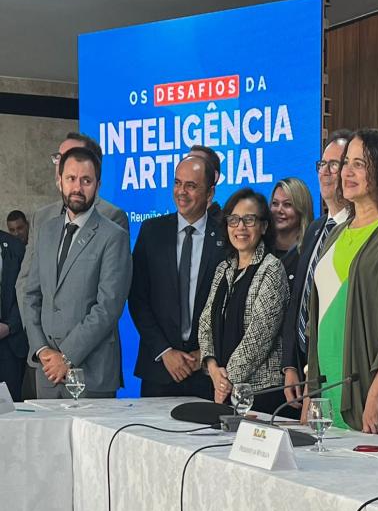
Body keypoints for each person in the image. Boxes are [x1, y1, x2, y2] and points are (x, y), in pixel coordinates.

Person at [305, 128, 378, 436]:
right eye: (346, 163)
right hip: (327, 390)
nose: (348, 172)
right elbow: (316, 321)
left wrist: (375, 393)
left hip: (368, 394)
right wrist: (310, 396)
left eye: (361, 163)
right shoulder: (336, 234)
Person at [21, 146, 132, 398]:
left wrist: (66, 356)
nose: (78, 188)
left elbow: (108, 308)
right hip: (47, 372)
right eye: (71, 178)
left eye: (86, 180)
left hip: (91, 374)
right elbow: (31, 296)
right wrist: (42, 350)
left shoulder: (114, 237)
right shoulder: (46, 231)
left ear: (98, 185)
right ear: (59, 181)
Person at [130, 156, 224, 399]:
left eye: (191, 186)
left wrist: (204, 353)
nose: (181, 192)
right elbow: (137, 299)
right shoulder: (151, 232)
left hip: (207, 373)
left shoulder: (225, 238)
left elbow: (229, 308)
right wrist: (164, 351)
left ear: (210, 193)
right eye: (177, 183)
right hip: (159, 370)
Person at [198, 188, 289, 412]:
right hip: (223, 389)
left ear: (264, 226)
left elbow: (258, 339)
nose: (240, 227)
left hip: (260, 395)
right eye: (234, 219)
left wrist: (224, 381)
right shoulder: (224, 268)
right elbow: (205, 324)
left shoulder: (272, 268)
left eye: (249, 220)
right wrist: (212, 368)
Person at [282, 130, 353, 403]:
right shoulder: (314, 229)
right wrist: (290, 365)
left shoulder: (357, 230)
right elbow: (299, 300)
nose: (325, 172)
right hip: (302, 367)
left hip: (334, 368)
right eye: (322, 164)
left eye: (335, 165)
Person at [269, 177, 314, 282]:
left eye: (287, 205)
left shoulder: (311, 253)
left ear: (302, 209)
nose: (279, 210)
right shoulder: (261, 250)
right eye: (275, 203)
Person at [0, 229, 26, 400]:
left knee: (10, 413)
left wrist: (9, 326)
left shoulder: (15, 246)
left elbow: (28, 290)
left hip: (9, 343)